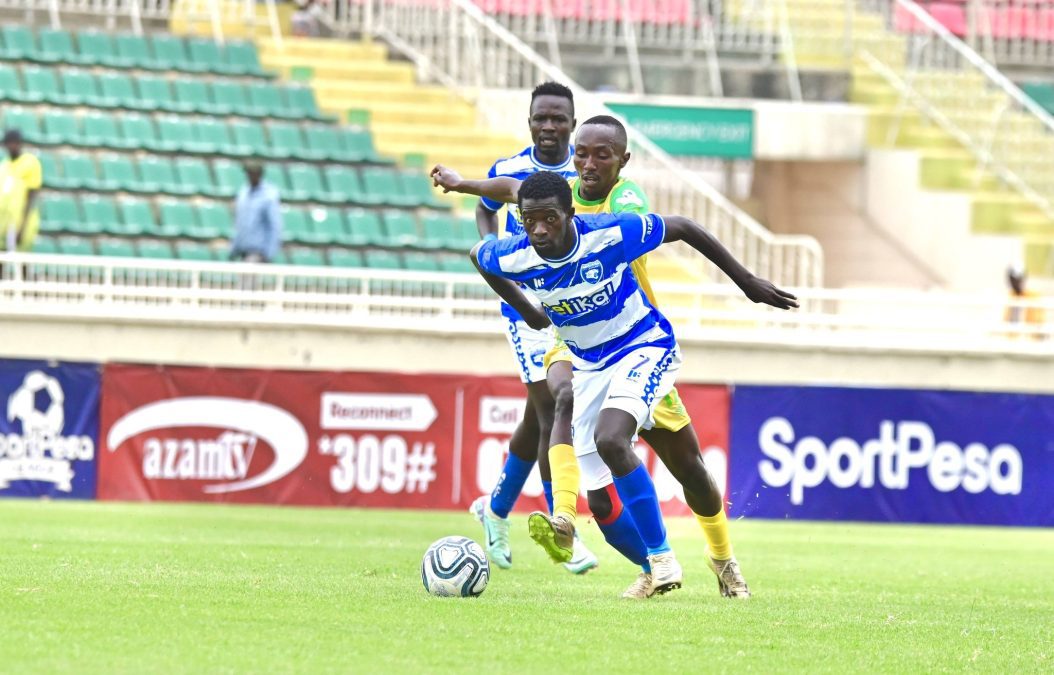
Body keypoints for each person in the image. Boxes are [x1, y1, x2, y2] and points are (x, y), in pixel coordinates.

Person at [433, 116, 760, 599]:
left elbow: (683, 228)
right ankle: (581, 524)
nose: (587, 164)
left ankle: (721, 559)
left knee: (685, 467)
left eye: (599, 155)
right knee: (567, 412)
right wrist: (465, 187)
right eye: (580, 155)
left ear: (621, 161)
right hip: (580, 348)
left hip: (635, 341)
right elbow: (499, 220)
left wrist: (747, 283)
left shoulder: (620, 211)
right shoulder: (544, 210)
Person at [466, 81, 598, 575]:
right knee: (552, 410)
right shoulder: (509, 170)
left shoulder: (583, 174)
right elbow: (485, 205)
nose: (548, 127)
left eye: (558, 119)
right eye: (540, 118)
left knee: (535, 416)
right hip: (530, 312)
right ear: (529, 122)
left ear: (571, 123)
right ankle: (563, 531)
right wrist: (497, 262)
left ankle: (495, 509)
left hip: (576, 309)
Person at [229, 161, 282, 263]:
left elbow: (275, 226)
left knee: (248, 274)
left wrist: (268, 254)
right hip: (242, 250)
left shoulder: (268, 196)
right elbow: (239, 223)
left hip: (258, 251)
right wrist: (233, 249)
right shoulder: (243, 193)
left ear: (260, 174)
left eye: (253, 173)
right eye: (248, 172)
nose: (250, 175)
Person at [0, 129, 42, 253]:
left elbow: (32, 195)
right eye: (8, 143)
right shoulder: (4, 165)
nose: (11, 146)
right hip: (3, 223)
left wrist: (23, 227)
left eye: (14, 143)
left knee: (23, 260)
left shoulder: (30, 163)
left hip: (21, 222)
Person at [1006, 264, 1044, 338]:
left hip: (1030, 339)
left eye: (1019, 279)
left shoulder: (1033, 296)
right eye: (1013, 280)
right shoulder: (1010, 297)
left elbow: (1039, 321)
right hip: (1012, 339)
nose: (1016, 283)